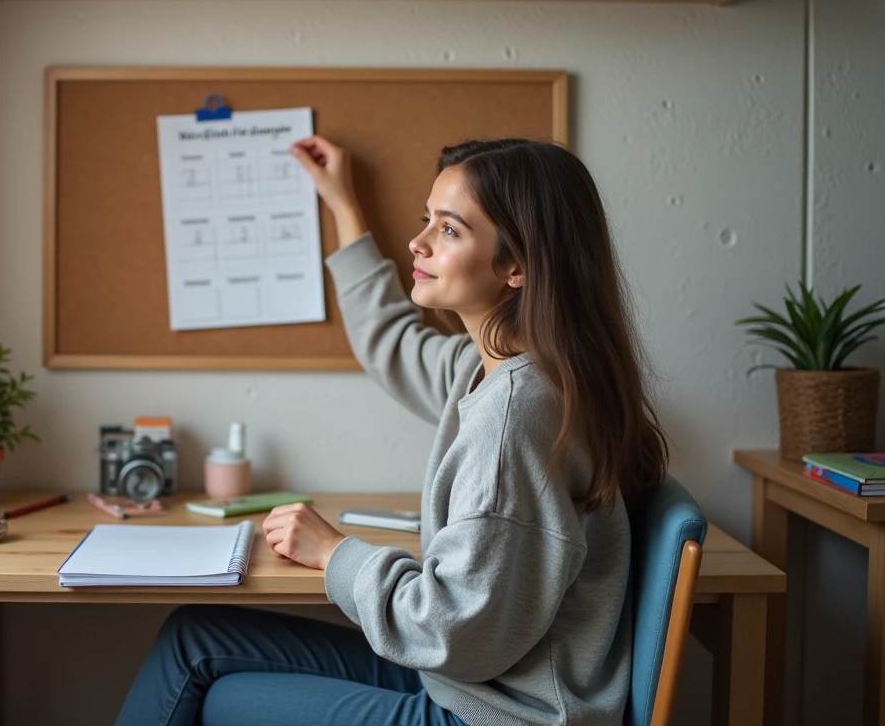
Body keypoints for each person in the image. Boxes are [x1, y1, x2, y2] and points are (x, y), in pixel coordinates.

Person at [114, 136, 669, 726]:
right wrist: (343, 204)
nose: (418, 242)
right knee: (192, 637)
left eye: (449, 229)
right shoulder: (498, 370)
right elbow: (394, 343)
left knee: (219, 697)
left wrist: (334, 553)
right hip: (473, 681)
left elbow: (451, 631)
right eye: (425, 220)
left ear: (518, 266)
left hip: (499, 711)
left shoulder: (515, 419)